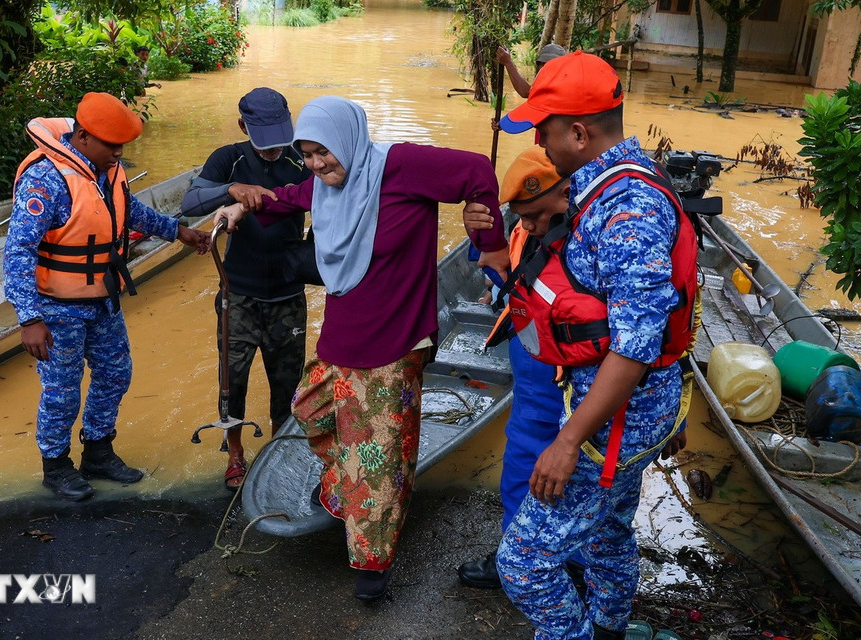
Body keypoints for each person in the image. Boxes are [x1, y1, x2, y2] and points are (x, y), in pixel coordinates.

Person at [213, 96, 510, 602]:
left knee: (379, 453)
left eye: (323, 152)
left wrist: (490, 241)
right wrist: (244, 203)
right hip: (345, 333)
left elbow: (477, 171)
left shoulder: (401, 165)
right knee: (311, 408)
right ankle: (344, 486)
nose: (316, 163)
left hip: (395, 337)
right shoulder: (329, 186)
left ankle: (374, 565)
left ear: (347, 138)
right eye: (307, 154)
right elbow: (293, 194)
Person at [494, 52, 695, 639]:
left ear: (579, 134)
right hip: (633, 408)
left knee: (524, 563)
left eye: (544, 129)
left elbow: (635, 344)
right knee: (607, 534)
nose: (538, 141)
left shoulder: (626, 209)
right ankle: (608, 627)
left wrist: (567, 441)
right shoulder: (615, 180)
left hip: (615, 421)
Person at [4, 91, 211, 502]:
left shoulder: (108, 172)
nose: (118, 153)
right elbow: (18, 251)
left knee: (116, 374)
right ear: (82, 136)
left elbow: (129, 210)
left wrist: (178, 231)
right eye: (111, 145)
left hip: (103, 298)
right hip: (57, 308)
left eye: (122, 146)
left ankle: (98, 452)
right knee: (62, 391)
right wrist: (29, 318)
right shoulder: (46, 180)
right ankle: (56, 466)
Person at [456, 147, 576, 590]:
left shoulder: (599, 233)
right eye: (522, 216)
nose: (529, 224)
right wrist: (479, 239)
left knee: (583, 471)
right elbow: (506, 279)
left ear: (567, 193)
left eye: (536, 215)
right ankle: (516, 553)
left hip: (581, 373)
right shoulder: (525, 229)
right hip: (532, 365)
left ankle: (576, 564)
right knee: (523, 460)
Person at [180, 87, 312, 491]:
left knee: (287, 383)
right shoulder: (228, 159)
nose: (273, 151)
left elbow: (332, 198)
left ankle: (280, 453)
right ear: (243, 127)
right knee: (232, 379)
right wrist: (231, 190)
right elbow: (189, 203)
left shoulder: (301, 158)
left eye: (279, 140)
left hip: (288, 293)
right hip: (238, 294)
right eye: (265, 143)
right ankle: (234, 452)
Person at [497, 43, 567, 100]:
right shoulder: (543, 80)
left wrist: (508, 63)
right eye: (543, 63)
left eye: (551, 64)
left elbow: (526, 92)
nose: (546, 67)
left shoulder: (565, 84)